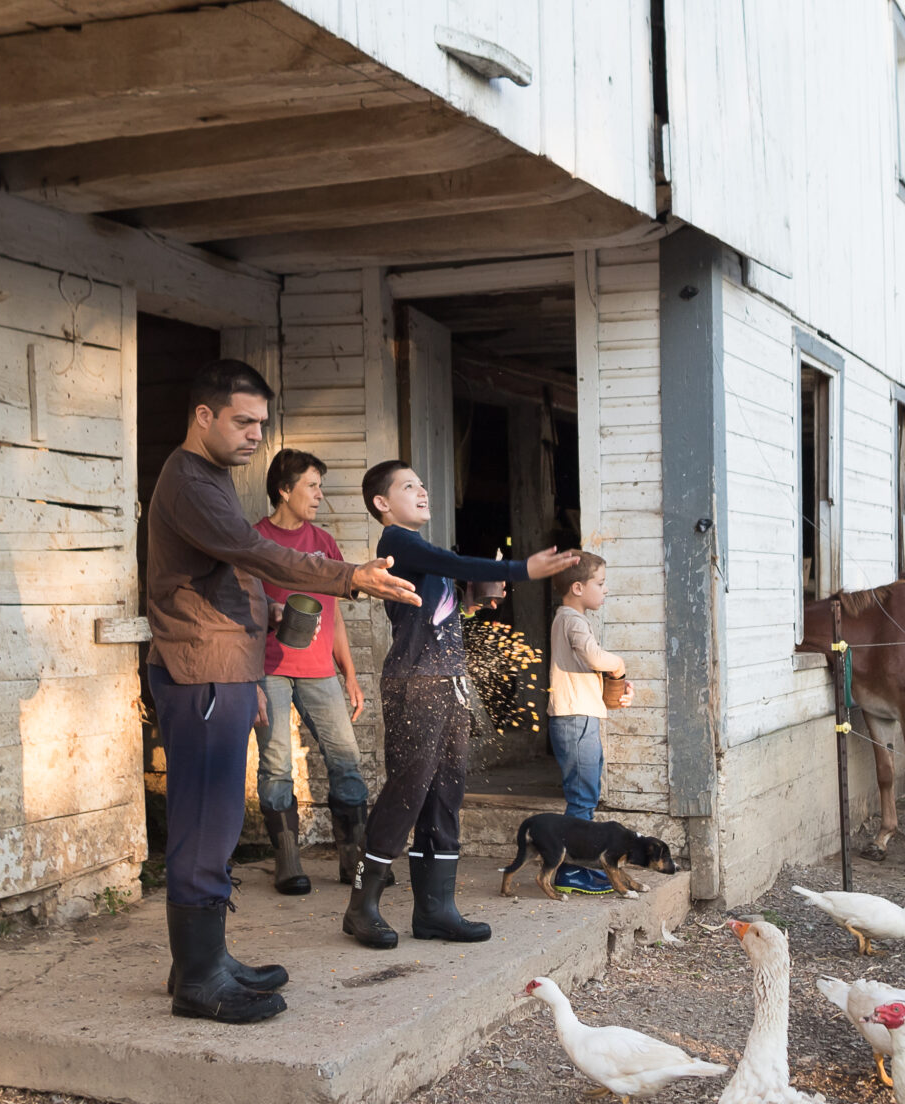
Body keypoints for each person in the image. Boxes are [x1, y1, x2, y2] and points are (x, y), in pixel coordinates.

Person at [143, 360, 417, 1023]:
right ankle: (199, 981)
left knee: (214, 824)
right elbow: (254, 551)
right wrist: (348, 575)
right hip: (202, 669)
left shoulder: (209, 477)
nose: (254, 436)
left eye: (260, 424)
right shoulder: (191, 481)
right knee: (206, 825)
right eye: (243, 421)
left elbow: (225, 567)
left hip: (222, 664)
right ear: (203, 416)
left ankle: (201, 958)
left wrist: (259, 609)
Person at [345, 461, 580, 949]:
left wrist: (467, 606)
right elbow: (455, 564)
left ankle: (436, 910)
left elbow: (434, 612)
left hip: (448, 684)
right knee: (408, 789)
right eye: (408, 486)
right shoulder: (397, 543)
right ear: (382, 504)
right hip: (415, 685)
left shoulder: (423, 557)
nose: (422, 491)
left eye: (422, 484)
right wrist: (523, 569)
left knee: (445, 791)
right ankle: (361, 905)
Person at [253, 449, 369, 896]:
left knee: (346, 759)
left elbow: (334, 614)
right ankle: (287, 862)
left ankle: (353, 860)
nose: (320, 495)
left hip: (320, 671)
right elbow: (240, 604)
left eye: (320, 486)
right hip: (269, 668)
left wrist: (350, 673)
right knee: (276, 764)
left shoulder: (324, 543)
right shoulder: (254, 540)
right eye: (312, 486)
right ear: (285, 490)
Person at [545, 551, 630, 892]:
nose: (605, 589)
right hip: (576, 719)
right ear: (578, 587)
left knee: (586, 793)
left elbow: (589, 664)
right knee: (582, 797)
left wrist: (613, 682)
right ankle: (568, 871)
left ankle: (578, 866)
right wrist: (619, 664)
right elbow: (594, 656)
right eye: (601, 582)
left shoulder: (569, 619)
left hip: (580, 716)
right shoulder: (573, 620)